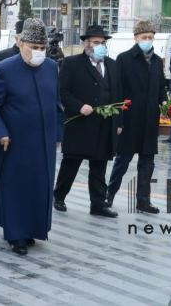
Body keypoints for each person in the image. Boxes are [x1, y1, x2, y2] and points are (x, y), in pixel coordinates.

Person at [0, 18, 63, 256]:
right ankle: (16, 235)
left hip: (44, 142)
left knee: (40, 186)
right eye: (33, 47)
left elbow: (57, 104)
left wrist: (58, 133)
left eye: (42, 48)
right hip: (14, 142)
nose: (38, 52)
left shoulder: (51, 68)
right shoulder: (5, 69)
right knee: (16, 188)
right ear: (21, 43)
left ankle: (34, 229)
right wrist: (0, 132)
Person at [53, 25, 121, 218]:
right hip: (80, 123)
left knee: (99, 166)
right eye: (96, 42)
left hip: (105, 124)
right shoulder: (72, 63)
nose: (100, 46)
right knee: (71, 163)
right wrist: (78, 106)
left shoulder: (112, 65)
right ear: (87, 44)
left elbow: (118, 95)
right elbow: (62, 92)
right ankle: (59, 196)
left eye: (103, 43)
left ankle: (98, 204)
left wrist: (119, 122)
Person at [106, 20, 167, 214]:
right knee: (122, 161)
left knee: (147, 163)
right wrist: (119, 120)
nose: (147, 40)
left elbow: (161, 88)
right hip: (130, 120)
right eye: (144, 37)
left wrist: (166, 103)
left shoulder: (157, 61)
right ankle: (109, 196)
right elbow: (118, 90)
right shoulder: (124, 59)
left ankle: (143, 201)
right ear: (136, 38)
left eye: (150, 37)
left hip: (150, 121)